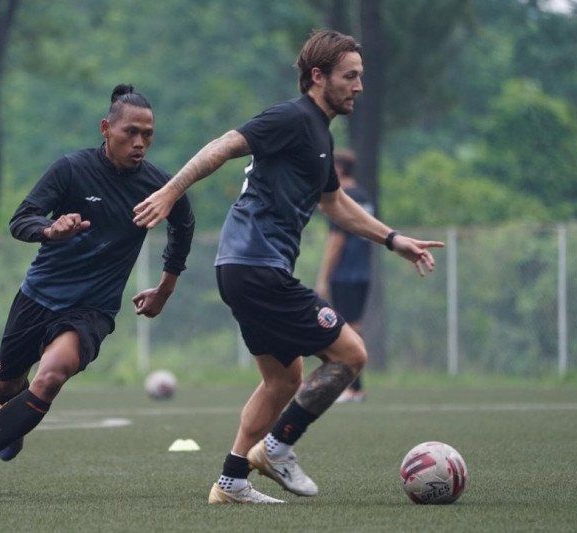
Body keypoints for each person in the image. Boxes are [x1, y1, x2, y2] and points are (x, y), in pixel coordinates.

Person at [133, 30, 443, 504]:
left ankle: (232, 481)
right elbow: (223, 144)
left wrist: (393, 239)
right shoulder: (292, 118)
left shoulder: (319, 133)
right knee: (351, 356)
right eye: (350, 76)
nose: (359, 86)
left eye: (361, 76)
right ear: (318, 77)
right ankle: (276, 449)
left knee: (283, 380)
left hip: (246, 267)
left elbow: (334, 203)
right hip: (256, 267)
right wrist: (173, 190)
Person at [0, 84, 195, 495]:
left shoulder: (157, 185)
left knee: (52, 374)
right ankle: (13, 422)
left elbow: (183, 225)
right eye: (130, 132)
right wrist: (50, 229)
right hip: (38, 295)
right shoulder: (71, 170)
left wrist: (165, 288)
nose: (140, 142)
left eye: (148, 134)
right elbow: (21, 219)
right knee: (4, 388)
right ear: (105, 128)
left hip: (92, 310)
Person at [315, 149, 372, 403]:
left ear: (338, 170)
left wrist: (324, 277)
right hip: (363, 271)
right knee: (355, 325)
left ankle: (352, 388)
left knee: (343, 329)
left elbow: (336, 240)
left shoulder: (341, 197)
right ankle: (356, 387)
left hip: (345, 272)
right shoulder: (364, 196)